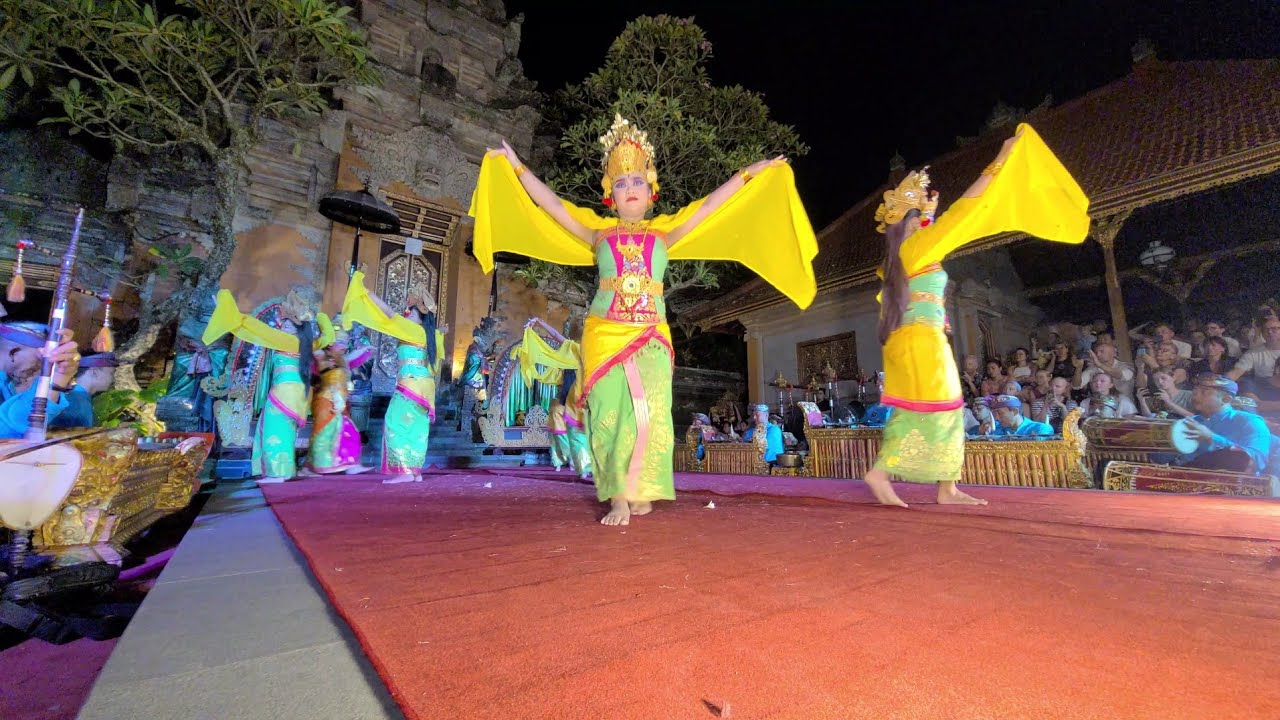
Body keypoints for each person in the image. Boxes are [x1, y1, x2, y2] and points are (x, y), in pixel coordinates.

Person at [470, 114, 817, 525]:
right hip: (605, 332)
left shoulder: (665, 232)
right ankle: (617, 496)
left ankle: (640, 486)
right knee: (609, 414)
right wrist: (516, 167)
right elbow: (549, 204)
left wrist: (750, 173)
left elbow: (709, 205)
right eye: (621, 183)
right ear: (610, 196)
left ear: (650, 191)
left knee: (649, 412)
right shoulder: (596, 232)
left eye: (636, 181)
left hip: (651, 332)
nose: (629, 189)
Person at [859, 124, 1090, 508]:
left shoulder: (898, 259)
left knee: (941, 407)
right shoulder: (918, 249)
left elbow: (938, 226)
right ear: (908, 222)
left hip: (913, 341)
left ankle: (943, 486)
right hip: (921, 341)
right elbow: (965, 210)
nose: (925, 221)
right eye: (919, 216)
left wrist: (928, 216)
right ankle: (886, 474)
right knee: (936, 407)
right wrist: (1000, 160)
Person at [341, 272, 447, 484]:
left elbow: (388, 314)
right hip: (425, 387)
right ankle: (415, 471)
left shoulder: (410, 329)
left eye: (409, 310)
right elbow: (436, 364)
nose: (405, 313)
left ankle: (404, 471)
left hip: (409, 383)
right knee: (416, 428)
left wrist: (366, 292)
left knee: (395, 423)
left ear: (417, 314)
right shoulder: (432, 335)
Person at [203, 289, 318, 483]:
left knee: (275, 430)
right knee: (279, 430)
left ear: (296, 328)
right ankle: (283, 471)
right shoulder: (304, 343)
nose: (281, 327)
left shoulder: (289, 341)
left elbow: (256, 330)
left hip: (285, 392)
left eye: (286, 325)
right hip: (294, 393)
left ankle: (278, 473)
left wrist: (228, 313)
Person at [304, 321, 371, 475]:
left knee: (349, 433)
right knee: (324, 435)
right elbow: (312, 350)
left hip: (340, 403)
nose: (344, 346)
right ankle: (314, 466)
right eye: (340, 342)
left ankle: (350, 464)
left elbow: (351, 357)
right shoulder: (322, 356)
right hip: (326, 401)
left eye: (345, 342)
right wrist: (324, 335)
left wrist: (365, 349)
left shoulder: (341, 360)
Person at [1175, 374, 1271, 473]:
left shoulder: (1250, 421)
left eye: (1203, 392)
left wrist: (1210, 437)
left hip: (1232, 484)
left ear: (1226, 399)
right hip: (1188, 480)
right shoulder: (1193, 422)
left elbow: (1257, 459)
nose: (1195, 394)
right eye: (1195, 390)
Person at [0, 321, 81, 437]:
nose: (41, 364)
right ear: (14, 352)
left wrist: (59, 376)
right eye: (39, 358)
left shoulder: (9, 384)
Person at [55, 351, 119, 428]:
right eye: (111, 373)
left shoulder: (70, 396)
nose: (113, 378)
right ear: (95, 372)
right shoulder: (78, 404)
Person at [987, 395, 1054, 437]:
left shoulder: (1040, 429)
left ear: (1015, 411)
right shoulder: (996, 428)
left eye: (1000, 413)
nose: (996, 418)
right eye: (994, 414)